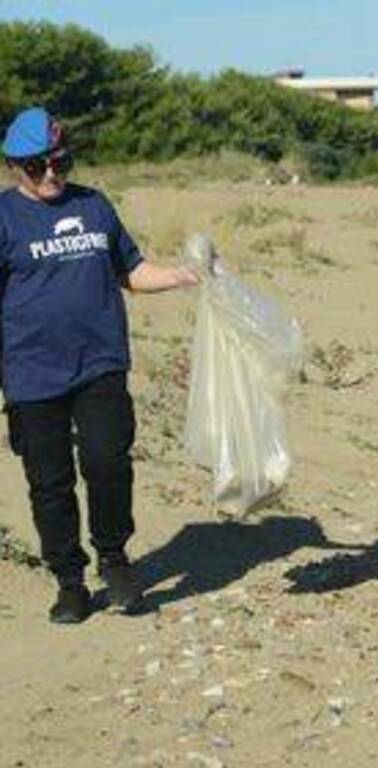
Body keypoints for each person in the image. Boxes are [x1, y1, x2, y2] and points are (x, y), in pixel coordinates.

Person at [0, 107, 199, 623]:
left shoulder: (94, 205)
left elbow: (131, 271)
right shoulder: (3, 217)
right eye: (37, 166)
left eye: (60, 162)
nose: (51, 175)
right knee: (50, 483)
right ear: (12, 166)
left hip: (100, 363)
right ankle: (69, 580)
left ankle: (114, 559)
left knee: (109, 462)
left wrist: (183, 276)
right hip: (31, 373)